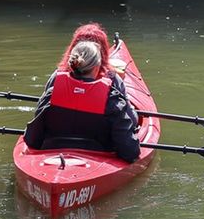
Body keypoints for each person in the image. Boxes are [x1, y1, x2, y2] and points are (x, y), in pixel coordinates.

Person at [23, 23, 140, 161]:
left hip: (53, 149)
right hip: (99, 153)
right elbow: (130, 144)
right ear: (99, 60)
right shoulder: (113, 92)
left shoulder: (55, 84)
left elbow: (34, 136)